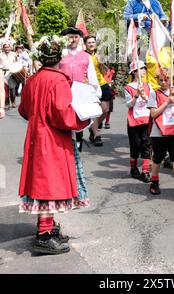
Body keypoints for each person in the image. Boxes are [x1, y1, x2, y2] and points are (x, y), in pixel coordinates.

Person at [18, 35, 91, 255]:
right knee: (50, 184)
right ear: (59, 57)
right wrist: (84, 117)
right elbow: (62, 115)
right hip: (53, 139)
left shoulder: (33, 79)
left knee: (44, 183)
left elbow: (23, 110)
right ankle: (44, 234)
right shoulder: (58, 80)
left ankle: (48, 229)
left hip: (36, 136)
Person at [147, 68, 174, 200]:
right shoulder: (154, 94)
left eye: (166, 79)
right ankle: (154, 181)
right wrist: (167, 102)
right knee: (158, 157)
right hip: (158, 132)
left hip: (173, 131)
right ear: (157, 80)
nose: (164, 82)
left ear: (171, 79)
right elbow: (153, 114)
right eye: (161, 80)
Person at [59, 27, 101, 150]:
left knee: (79, 120)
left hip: (81, 93)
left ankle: (77, 147)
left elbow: (92, 76)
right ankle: (66, 147)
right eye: (70, 37)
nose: (73, 39)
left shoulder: (85, 56)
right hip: (63, 92)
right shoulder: (61, 54)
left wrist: (96, 94)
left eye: (76, 37)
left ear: (80, 39)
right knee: (64, 120)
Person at [124, 61, 152, 182]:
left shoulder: (148, 85)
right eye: (141, 69)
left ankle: (145, 171)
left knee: (146, 145)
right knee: (135, 145)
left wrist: (144, 96)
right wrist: (136, 96)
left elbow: (150, 102)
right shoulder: (128, 87)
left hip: (146, 119)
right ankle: (133, 168)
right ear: (134, 72)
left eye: (144, 68)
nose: (144, 71)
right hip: (134, 120)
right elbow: (128, 104)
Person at [84, 35, 113, 144]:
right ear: (85, 45)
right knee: (95, 111)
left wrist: (101, 63)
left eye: (93, 42)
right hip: (90, 85)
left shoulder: (99, 55)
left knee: (105, 109)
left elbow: (105, 72)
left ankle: (93, 127)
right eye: (89, 43)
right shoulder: (83, 56)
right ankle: (96, 135)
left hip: (102, 83)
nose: (91, 44)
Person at [0, 40, 17, 108]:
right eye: (5, 47)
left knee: (12, 89)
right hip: (3, 73)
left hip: (11, 73)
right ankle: (6, 103)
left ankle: (13, 101)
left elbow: (16, 63)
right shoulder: (0, 55)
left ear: (10, 48)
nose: (7, 48)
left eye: (8, 47)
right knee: (4, 89)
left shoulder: (14, 54)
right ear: (3, 48)